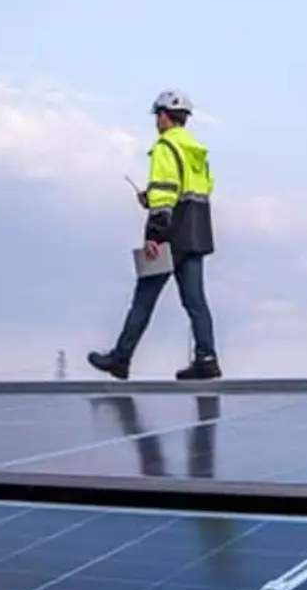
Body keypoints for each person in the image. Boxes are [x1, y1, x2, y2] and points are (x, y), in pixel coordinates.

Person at [88, 90, 222, 381]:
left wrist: (155, 234)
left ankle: (120, 359)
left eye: (157, 116)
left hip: (170, 236)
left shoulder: (165, 146)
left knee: (144, 298)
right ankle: (207, 358)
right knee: (196, 301)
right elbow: (198, 189)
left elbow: (165, 193)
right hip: (197, 234)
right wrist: (154, 198)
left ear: (163, 115)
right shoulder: (197, 151)